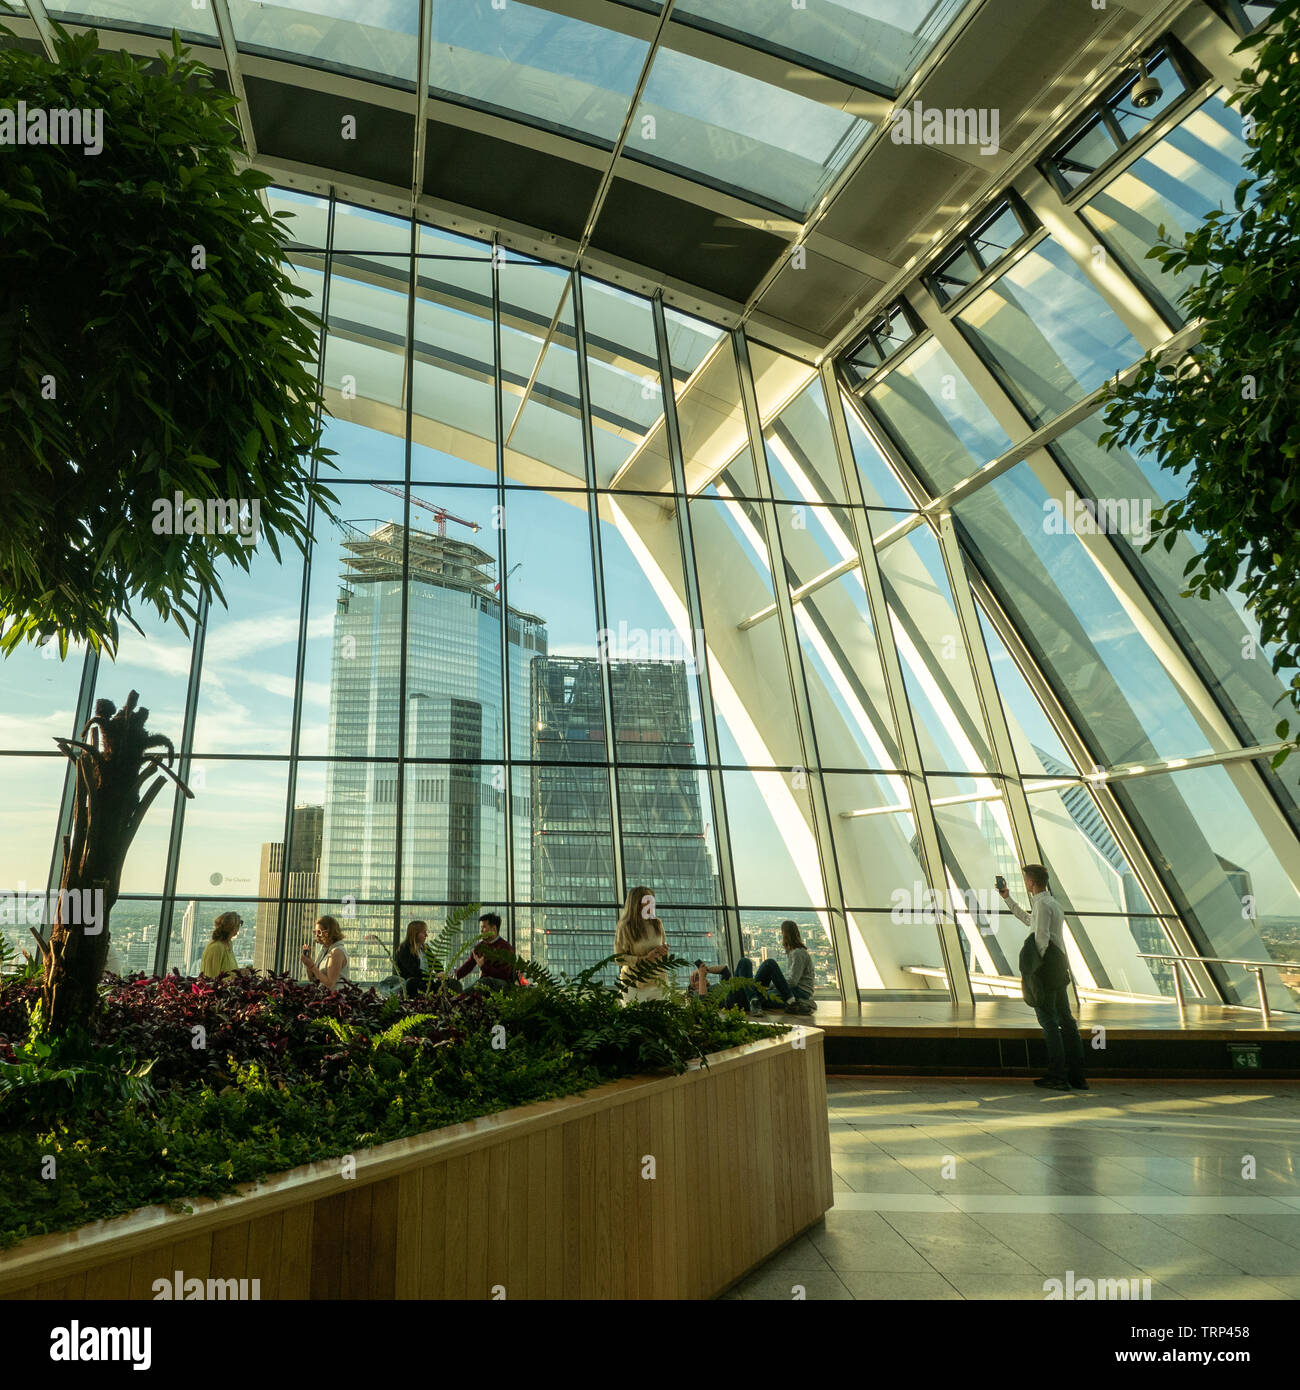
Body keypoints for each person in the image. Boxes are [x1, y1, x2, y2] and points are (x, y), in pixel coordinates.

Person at [999, 864, 1087, 1092]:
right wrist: (1008, 900)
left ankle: (1058, 1076)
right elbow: (1031, 922)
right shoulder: (1053, 904)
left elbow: (1041, 938)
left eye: (1026, 880)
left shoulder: (1041, 905)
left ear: (1032, 882)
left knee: (1048, 1021)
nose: (1026, 884)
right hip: (1058, 968)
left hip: (1045, 969)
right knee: (1067, 1021)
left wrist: (1032, 970)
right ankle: (1077, 1076)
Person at [745, 920, 817, 1015]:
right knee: (763, 996)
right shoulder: (794, 953)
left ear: (785, 935)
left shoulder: (798, 953)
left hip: (800, 993)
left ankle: (753, 997)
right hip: (798, 991)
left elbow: (792, 981)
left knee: (769, 965)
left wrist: (773, 985)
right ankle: (753, 997)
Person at [614, 885, 669, 1005]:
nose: (652, 903)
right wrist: (642, 959)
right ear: (637, 904)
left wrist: (663, 951)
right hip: (635, 984)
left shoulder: (657, 923)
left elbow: (664, 948)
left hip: (658, 981)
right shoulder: (625, 927)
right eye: (647, 900)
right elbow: (618, 958)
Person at [450, 912, 515, 992]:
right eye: (481, 927)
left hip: (503, 985)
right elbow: (469, 965)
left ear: (494, 929)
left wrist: (484, 966)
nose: (481, 930)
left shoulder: (505, 947)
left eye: (484, 927)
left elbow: (505, 975)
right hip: (485, 982)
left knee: (485, 982)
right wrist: (455, 976)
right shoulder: (480, 947)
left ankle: (463, 996)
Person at [302, 915, 349, 991]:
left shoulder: (337, 952)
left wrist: (312, 966)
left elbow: (330, 984)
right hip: (324, 996)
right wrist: (309, 963)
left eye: (319, 932)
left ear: (329, 933)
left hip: (335, 998)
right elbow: (313, 979)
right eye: (315, 932)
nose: (316, 935)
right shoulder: (324, 950)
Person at [200, 911, 242, 979]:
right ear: (232, 928)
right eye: (238, 924)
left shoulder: (229, 944)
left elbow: (228, 970)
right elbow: (211, 977)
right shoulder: (216, 947)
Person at [395, 919, 428, 998]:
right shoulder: (404, 949)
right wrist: (433, 975)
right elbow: (414, 971)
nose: (426, 935)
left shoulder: (424, 949)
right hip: (411, 986)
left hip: (425, 982)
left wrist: (441, 973)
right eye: (424, 932)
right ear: (415, 934)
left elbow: (435, 962)